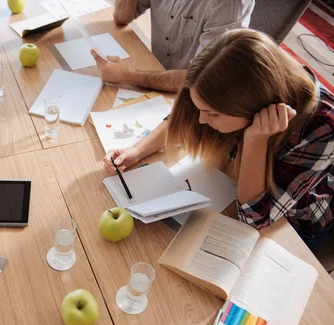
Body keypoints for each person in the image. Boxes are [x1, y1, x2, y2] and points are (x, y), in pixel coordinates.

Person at [102, 29, 333, 249]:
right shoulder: (240, 80)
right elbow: (185, 117)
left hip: (294, 226)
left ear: (256, 108)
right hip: (230, 181)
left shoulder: (323, 128)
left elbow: (255, 218)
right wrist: (137, 150)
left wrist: (255, 141)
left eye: (213, 114)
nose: (202, 121)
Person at [92, 0, 255, 93]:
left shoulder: (229, 5)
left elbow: (200, 79)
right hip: (154, 73)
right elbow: (121, 17)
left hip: (192, 97)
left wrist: (127, 76)